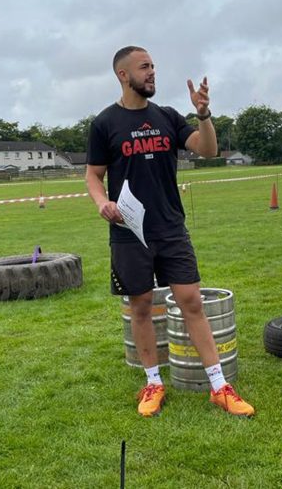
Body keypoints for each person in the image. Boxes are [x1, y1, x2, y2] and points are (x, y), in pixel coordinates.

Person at [86, 46, 255, 418]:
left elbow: (207, 150)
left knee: (191, 301)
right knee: (141, 307)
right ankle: (153, 382)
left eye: (154, 67)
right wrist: (101, 203)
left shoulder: (167, 116)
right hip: (129, 232)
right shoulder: (104, 124)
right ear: (122, 75)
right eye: (144, 67)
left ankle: (219, 387)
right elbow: (93, 175)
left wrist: (204, 115)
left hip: (171, 228)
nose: (152, 73)